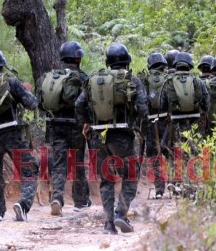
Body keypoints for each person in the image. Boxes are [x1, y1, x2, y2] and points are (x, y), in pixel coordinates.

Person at [75, 43, 148, 235]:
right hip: (122, 136)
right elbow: (143, 109)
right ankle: (121, 214)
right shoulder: (132, 80)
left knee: (106, 180)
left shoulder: (94, 79)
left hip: (97, 137)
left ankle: (108, 224)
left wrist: (85, 123)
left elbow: (79, 104)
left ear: (108, 62)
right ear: (127, 61)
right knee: (130, 175)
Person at [0, 49, 39, 222]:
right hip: (12, 133)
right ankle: (23, 204)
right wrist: (27, 91)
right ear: (2, 64)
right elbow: (32, 104)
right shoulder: (10, 81)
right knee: (29, 170)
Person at [37, 41, 91, 216]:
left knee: (59, 162)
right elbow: (87, 103)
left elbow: (40, 104)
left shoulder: (50, 77)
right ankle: (80, 201)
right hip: (76, 125)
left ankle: (57, 198)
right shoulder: (82, 77)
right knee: (77, 161)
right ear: (77, 58)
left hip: (55, 125)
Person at [159, 52, 209, 197]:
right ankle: (192, 186)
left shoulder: (169, 81)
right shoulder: (197, 81)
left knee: (177, 153)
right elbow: (206, 103)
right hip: (194, 123)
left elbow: (162, 106)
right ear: (190, 65)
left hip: (176, 123)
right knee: (193, 153)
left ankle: (177, 183)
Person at [141, 52, 169, 199]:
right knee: (170, 152)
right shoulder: (169, 78)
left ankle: (159, 189)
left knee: (154, 156)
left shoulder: (145, 79)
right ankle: (175, 183)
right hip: (166, 121)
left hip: (151, 123)